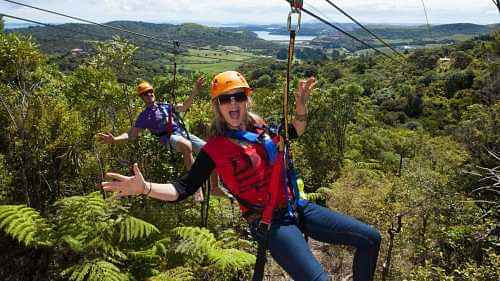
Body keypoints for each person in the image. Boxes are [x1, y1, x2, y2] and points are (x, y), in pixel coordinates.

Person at [101, 71, 381, 281]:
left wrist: (301, 105)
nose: (232, 103)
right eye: (225, 99)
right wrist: (145, 187)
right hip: (270, 222)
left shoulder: (260, 127)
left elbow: (294, 130)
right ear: (218, 106)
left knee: (370, 239)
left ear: (247, 100)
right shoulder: (215, 148)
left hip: (296, 206)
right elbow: (182, 189)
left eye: (238, 97)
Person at [97, 78, 207, 201]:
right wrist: (115, 139)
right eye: (145, 93)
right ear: (142, 97)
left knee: (211, 150)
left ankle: (216, 186)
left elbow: (184, 106)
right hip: (168, 138)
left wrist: (195, 91)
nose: (149, 94)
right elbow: (131, 134)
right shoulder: (145, 116)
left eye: (150, 91)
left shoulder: (165, 106)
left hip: (183, 133)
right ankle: (195, 187)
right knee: (186, 145)